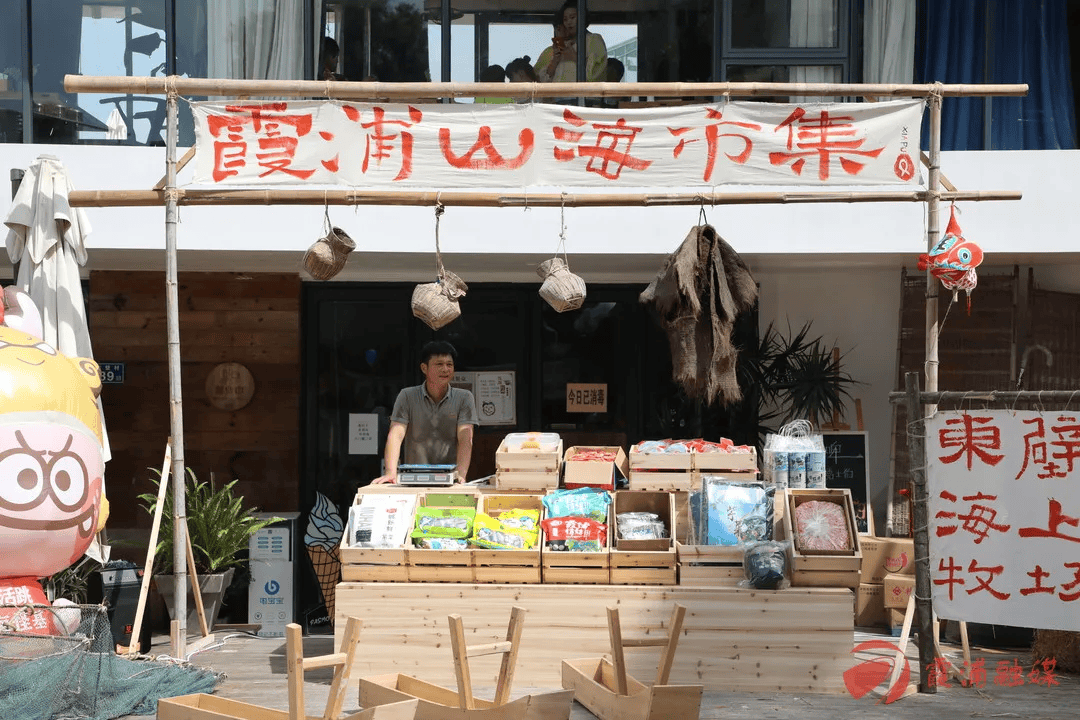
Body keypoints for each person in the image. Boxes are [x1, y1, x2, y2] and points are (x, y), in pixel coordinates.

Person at [372, 341, 477, 484]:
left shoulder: (464, 398)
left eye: (449, 364)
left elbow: (466, 438)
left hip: (450, 479)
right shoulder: (407, 396)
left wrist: (461, 475)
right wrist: (391, 473)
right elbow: (396, 434)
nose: (445, 369)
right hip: (413, 479)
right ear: (424, 368)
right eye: (439, 364)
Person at [535, 1, 607, 84]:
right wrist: (555, 60)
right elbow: (542, 81)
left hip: (583, 95)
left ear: (582, 17)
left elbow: (597, 72)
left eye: (572, 17)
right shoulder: (560, 46)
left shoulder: (594, 39)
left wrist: (574, 57)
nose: (569, 22)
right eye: (565, 19)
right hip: (559, 95)